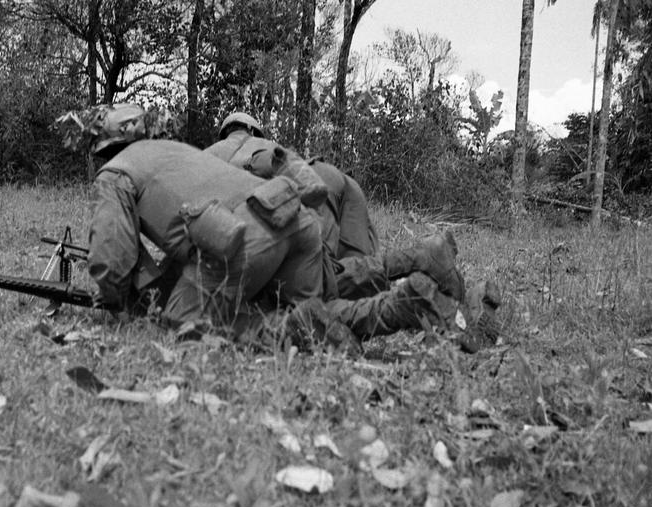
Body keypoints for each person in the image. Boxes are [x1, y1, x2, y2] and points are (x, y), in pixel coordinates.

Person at [60, 103, 469, 354]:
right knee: (321, 307)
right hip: (296, 217)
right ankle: (409, 302)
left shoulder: (115, 174)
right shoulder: (176, 150)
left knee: (181, 320)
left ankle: (300, 331)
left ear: (102, 148)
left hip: (246, 235)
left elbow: (113, 258)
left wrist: (115, 303)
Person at [205, 112, 500, 351]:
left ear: (225, 132)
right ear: (255, 131)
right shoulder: (266, 144)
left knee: (320, 290)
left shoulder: (209, 156)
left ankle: (418, 298)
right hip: (329, 176)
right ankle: (434, 275)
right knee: (347, 279)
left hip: (296, 189)